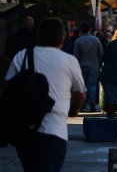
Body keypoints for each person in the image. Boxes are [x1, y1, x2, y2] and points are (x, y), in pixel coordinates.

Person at [3, 17, 86, 172]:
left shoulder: (22, 56)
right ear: (62, 38)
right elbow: (80, 93)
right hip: (55, 130)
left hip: (25, 131)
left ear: (38, 35)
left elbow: (7, 87)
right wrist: (73, 111)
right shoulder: (69, 60)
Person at [74, 22, 103, 112]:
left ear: (81, 30)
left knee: (82, 86)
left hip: (81, 66)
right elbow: (101, 54)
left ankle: (82, 105)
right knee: (92, 85)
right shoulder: (96, 40)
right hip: (94, 66)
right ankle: (92, 103)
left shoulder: (78, 41)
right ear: (90, 30)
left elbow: (75, 56)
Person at [99, 26, 117, 116]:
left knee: (109, 100)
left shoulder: (112, 43)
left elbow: (103, 58)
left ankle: (110, 120)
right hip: (114, 77)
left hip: (105, 75)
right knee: (113, 102)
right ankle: (111, 122)